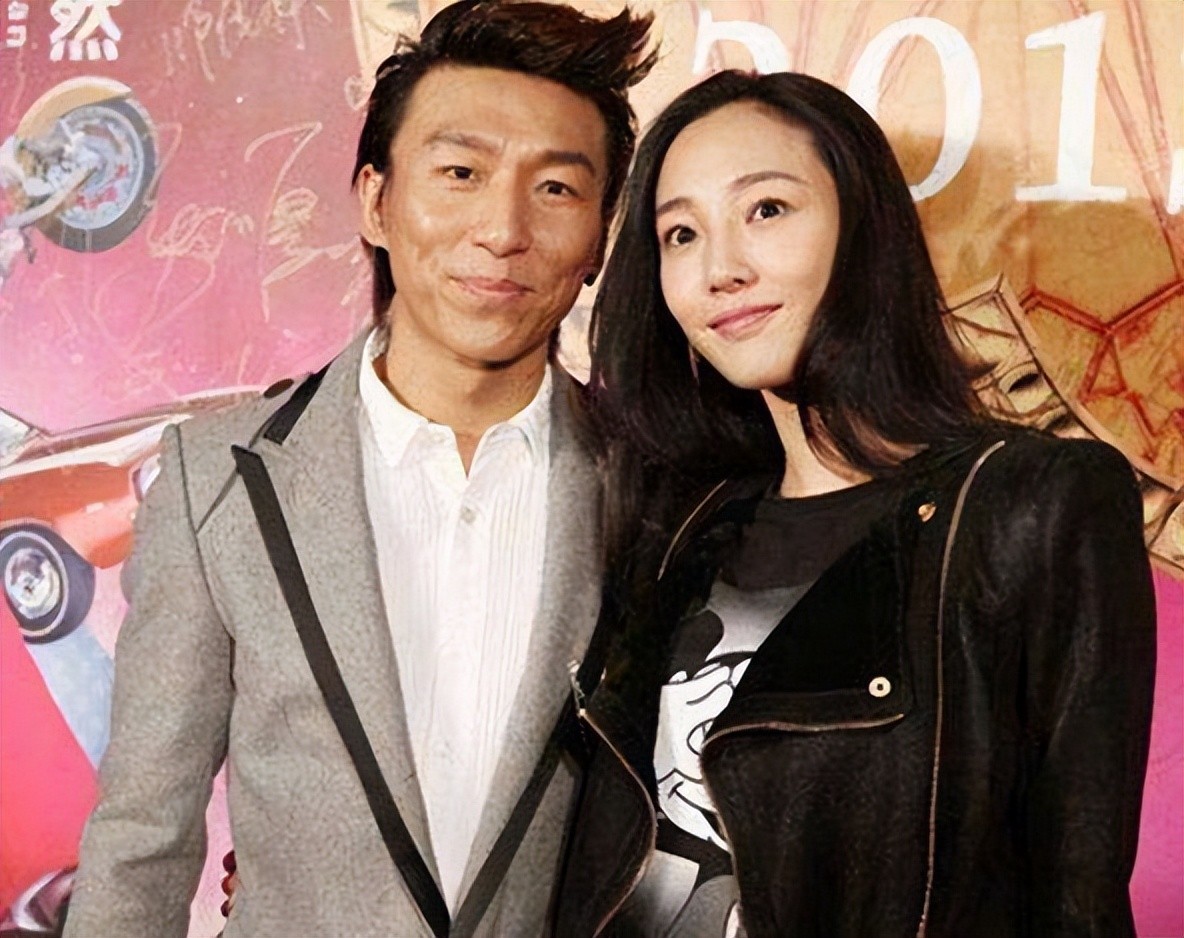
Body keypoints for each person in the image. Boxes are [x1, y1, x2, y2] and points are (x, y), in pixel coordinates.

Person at [64, 3, 654, 936]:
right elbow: (142, 838)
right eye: (460, 172)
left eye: (555, 188)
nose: (502, 228)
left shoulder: (657, 490)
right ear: (376, 201)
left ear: (601, 237)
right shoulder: (218, 478)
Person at [553, 70, 1157, 938]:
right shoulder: (677, 522)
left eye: (767, 210)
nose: (721, 269)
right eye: (681, 233)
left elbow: (1079, 897)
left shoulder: (1033, 506)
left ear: (863, 225)